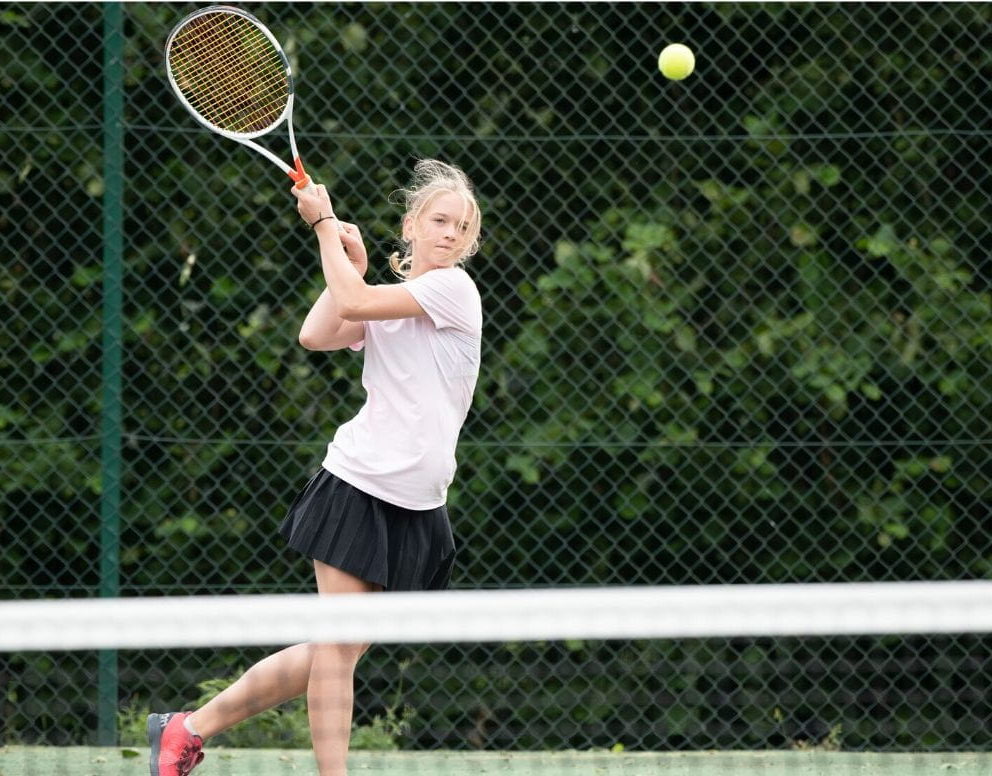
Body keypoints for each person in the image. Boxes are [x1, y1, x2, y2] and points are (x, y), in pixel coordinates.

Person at [147, 159, 484, 776]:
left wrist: (325, 227)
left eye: (462, 227)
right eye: (439, 220)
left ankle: (185, 729)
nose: (450, 234)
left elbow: (356, 301)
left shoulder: (453, 291)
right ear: (411, 225)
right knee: (337, 647)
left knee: (338, 648)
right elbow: (318, 332)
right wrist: (343, 259)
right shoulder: (387, 299)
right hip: (357, 485)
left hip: (421, 501)